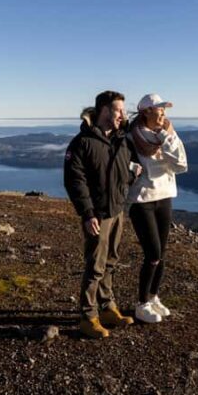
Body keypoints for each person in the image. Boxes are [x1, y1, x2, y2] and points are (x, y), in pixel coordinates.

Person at [64, 90, 140, 339]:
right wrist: (88, 214)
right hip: (97, 215)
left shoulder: (122, 139)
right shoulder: (82, 142)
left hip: (117, 211)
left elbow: (125, 171)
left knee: (111, 262)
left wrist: (132, 175)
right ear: (104, 110)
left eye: (123, 110)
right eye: (118, 110)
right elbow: (75, 181)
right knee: (95, 266)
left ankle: (107, 308)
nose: (123, 115)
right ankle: (88, 317)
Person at [127, 93, 188, 323]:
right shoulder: (131, 136)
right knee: (152, 253)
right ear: (146, 112)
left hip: (165, 196)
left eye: (164, 109)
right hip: (141, 199)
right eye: (158, 109)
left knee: (161, 253)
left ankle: (153, 297)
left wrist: (165, 135)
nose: (163, 113)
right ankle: (142, 304)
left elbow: (181, 164)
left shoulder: (167, 133)